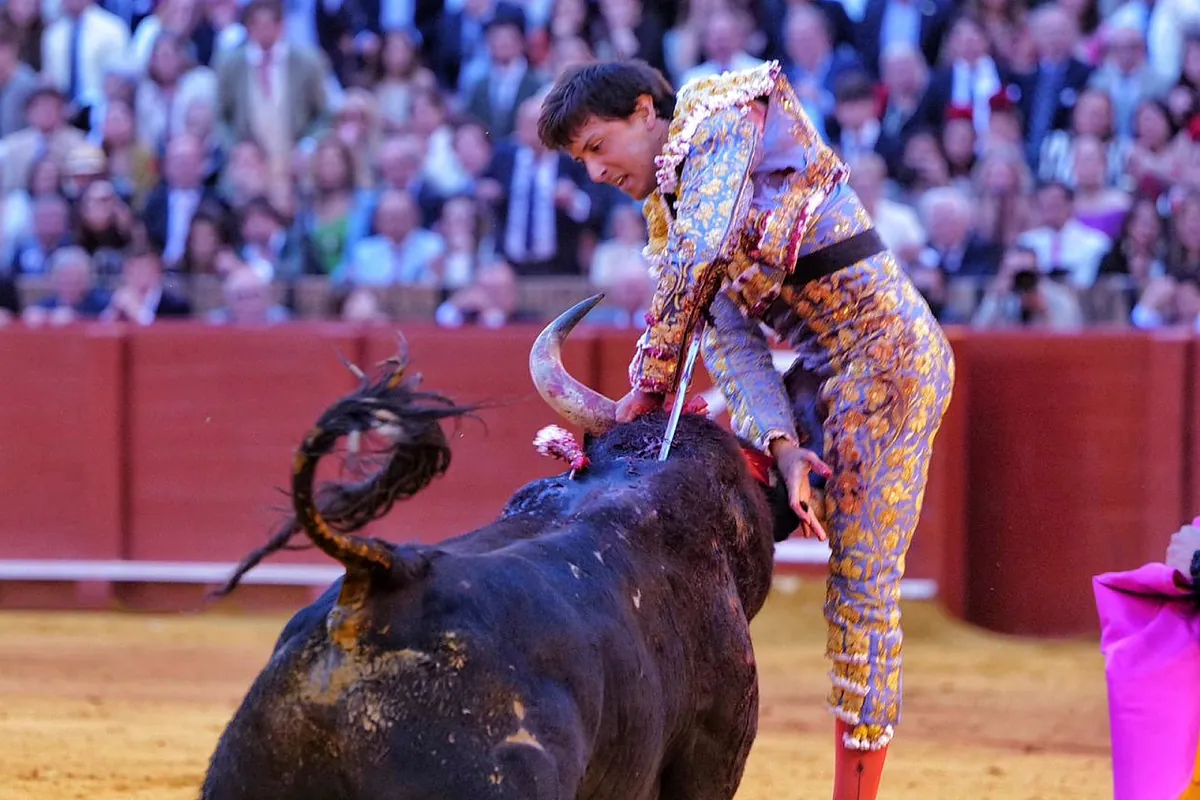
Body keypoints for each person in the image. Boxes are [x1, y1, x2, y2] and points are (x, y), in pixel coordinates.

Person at [538, 59, 955, 799]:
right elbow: (733, 345)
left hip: (891, 364)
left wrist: (651, 385)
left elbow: (703, 252)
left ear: (644, 111)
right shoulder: (668, 214)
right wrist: (784, 446)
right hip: (814, 381)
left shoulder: (727, 112)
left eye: (598, 146)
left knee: (859, 590)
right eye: (581, 162)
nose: (595, 171)